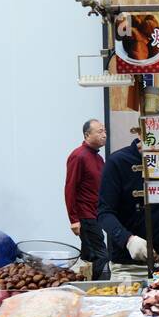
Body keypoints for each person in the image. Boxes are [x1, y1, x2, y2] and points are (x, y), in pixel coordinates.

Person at [66, 119, 109, 280]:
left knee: (89, 255)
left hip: (97, 213)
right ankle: (96, 290)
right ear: (87, 135)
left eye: (104, 131)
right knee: (100, 255)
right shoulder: (78, 156)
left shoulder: (98, 158)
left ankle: (84, 286)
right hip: (85, 215)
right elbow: (70, 188)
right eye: (99, 131)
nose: (104, 135)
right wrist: (74, 219)